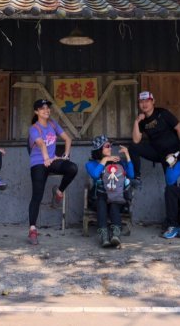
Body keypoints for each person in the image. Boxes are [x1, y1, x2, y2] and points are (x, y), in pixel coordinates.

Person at [27, 99, 78, 245]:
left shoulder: (52, 124)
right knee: (37, 195)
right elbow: (41, 144)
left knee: (72, 168)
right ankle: (32, 229)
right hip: (38, 162)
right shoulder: (34, 128)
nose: (46, 110)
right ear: (36, 112)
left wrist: (65, 155)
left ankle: (59, 192)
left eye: (48, 108)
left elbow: (67, 138)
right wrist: (46, 159)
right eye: (42, 108)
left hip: (51, 160)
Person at [85, 135, 135, 248]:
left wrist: (127, 155)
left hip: (117, 197)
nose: (110, 148)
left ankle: (115, 235)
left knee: (114, 202)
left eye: (110, 146)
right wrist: (105, 160)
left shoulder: (117, 162)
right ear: (99, 149)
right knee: (101, 201)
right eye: (107, 146)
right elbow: (95, 175)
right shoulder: (91, 164)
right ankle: (104, 237)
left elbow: (131, 175)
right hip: (99, 198)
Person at [129, 91, 180, 184]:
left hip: (171, 153)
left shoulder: (162, 113)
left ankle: (175, 196)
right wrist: (136, 122)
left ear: (153, 101)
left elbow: (179, 128)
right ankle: (136, 177)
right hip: (157, 152)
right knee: (133, 147)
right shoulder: (142, 121)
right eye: (141, 102)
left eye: (147, 101)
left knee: (170, 182)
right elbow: (136, 140)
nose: (144, 104)